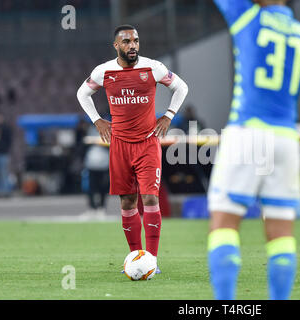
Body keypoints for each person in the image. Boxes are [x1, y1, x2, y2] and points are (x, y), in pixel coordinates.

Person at [208, 0, 300, 300]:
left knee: (224, 226)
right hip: (286, 140)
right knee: (281, 235)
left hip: (248, 133)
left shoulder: (246, 17)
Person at [76, 25, 189, 273]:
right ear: (116, 45)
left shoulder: (153, 67)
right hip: (119, 145)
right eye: (126, 42)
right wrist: (97, 120)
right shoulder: (104, 71)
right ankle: (134, 258)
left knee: (149, 197)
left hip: (148, 143)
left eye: (136, 40)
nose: (133, 46)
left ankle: (153, 261)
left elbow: (181, 87)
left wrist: (168, 116)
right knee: (127, 202)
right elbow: (82, 93)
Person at [80, 125, 110, 220]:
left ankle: (101, 209)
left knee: (103, 188)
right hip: (91, 165)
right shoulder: (90, 130)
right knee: (91, 188)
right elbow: (84, 142)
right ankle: (92, 209)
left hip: (104, 165)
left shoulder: (108, 130)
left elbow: (110, 142)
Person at [0, 110, 12, 197]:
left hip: (2, 154)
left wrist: (5, 149)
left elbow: (9, 141)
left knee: (3, 172)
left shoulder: (6, 128)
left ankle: (5, 190)